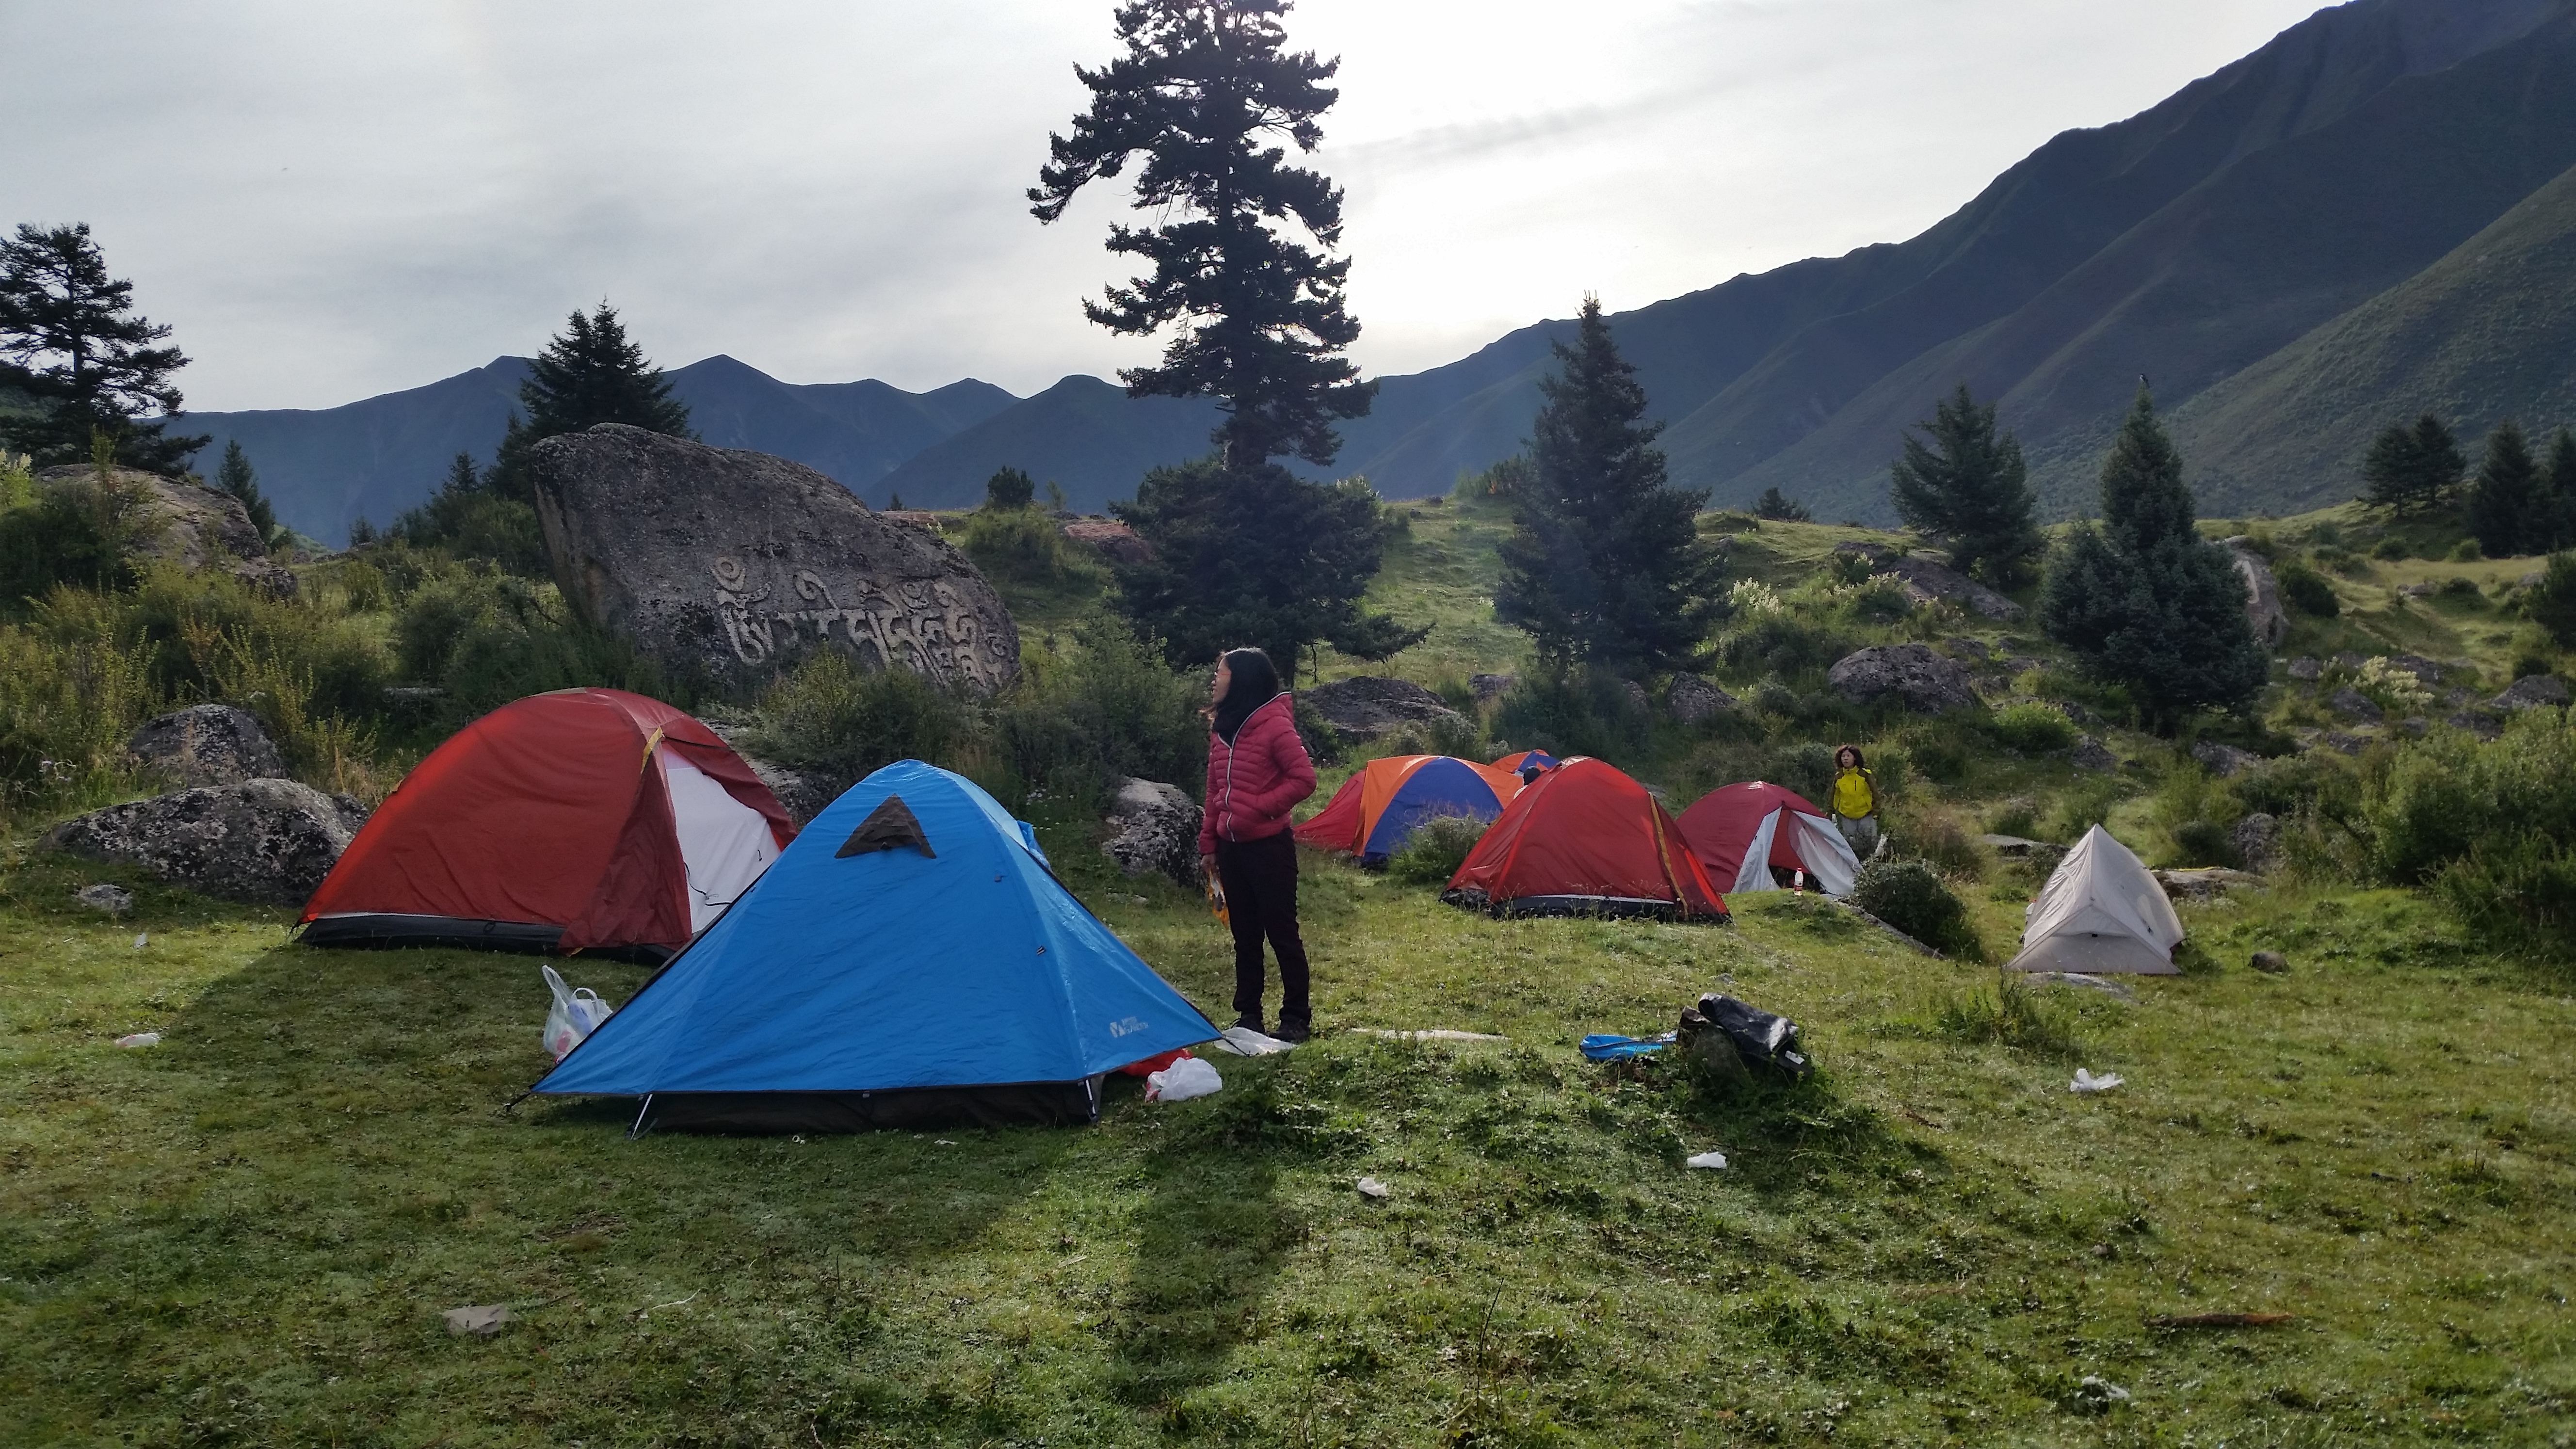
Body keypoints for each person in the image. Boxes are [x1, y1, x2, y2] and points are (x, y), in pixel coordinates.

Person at [1196, 647, 1318, 1041]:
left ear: (1242, 680)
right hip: (1231, 849)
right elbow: (1215, 789)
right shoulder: (1221, 729)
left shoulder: (1273, 726)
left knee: (1281, 932)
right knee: (1244, 934)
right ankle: (1249, 1015)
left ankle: (1296, 1018)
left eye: (1222, 672)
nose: (1215, 679)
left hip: (1269, 847)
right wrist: (1209, 843)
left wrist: (1258, 810)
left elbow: (1304, 779)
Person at [1830, 744, 1880, 857]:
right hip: (1847, 817)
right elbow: (1833, 795)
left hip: (1866, 815)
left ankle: (1870, 867)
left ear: (1855, 758)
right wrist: (1831, 811)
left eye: (1848, 756)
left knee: (1869, 844)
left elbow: (1875, 793)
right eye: (1843, 756)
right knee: (1851, 846)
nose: (1846, 759)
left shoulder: (1865, 774)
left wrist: (1876, 811)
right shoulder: (1839, 776)